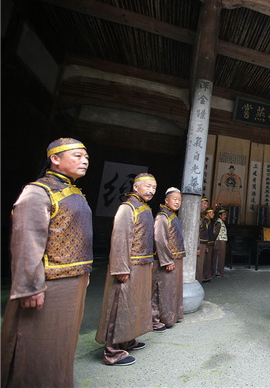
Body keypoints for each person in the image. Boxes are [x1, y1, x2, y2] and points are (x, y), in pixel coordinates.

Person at [1, 138, 93, 387]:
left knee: (62, 345)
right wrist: (30, 285)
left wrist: (84, 272)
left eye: (86, 157)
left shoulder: (74, 192)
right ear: (55, 159)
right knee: (39, 344)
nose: (84, 161)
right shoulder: (38, 192)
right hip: (49, 283)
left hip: (73, 279)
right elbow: (27, 240)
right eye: (77, 156)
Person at [95, 173, 157, 366]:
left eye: (154, 188)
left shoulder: (144, 208)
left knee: (133, 304)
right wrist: (120, 267)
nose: (151, 190)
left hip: (143, 265)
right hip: (129, 266)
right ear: (136, 187)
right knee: (119, 306)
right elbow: (120, 239)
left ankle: (127, 339)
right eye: (147, 186)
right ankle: (112, 351)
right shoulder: (127, 208)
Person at [152, 187, 186, 331]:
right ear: (167, 200)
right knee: (161, 290)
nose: (177, 202)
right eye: (175, 199)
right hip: (168, 260)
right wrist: (166, 260)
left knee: (172, 289)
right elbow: (159, 239)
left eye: (180, 200)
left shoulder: (172, 215)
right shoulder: (162, 216)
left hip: (176, 258)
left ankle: (170, 317)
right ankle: (155, 320)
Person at [197, 208, 215, 283]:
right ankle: (201, 278)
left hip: (206, 243)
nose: (213, 214)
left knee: (205, 261)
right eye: (211, 213)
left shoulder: (207, 221)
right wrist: (207, 244)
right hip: (203, 243)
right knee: (202, 262)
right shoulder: (205, 221)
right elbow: (204, 233)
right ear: (207, 213)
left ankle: (204, 277)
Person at [213, 208, 229, 277]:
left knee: (221, 257)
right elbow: (215, 233)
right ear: (220, 215)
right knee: (218, 256)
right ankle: (217, 271)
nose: (225, 216)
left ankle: (220, 271)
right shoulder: (219, 223)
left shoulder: (221, 222)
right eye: (224, 215)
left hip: (222, 241)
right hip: (219, 241)